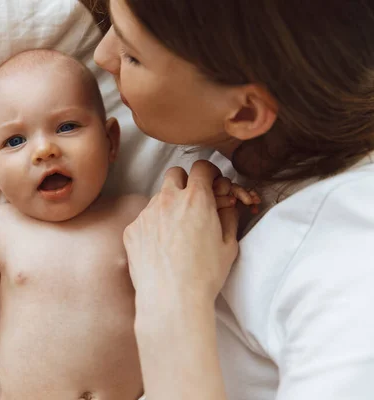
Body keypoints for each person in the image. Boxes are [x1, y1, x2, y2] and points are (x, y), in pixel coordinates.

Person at [0, 49, 258, 400]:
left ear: (110, 141)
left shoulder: (138, 215)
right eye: (15, 140)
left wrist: (219, 200)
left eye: (66, 126)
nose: (44, 150)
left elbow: (190, 248)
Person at [93, 0, 374, 399]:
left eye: (132, 57)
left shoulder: (353, 265)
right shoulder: (243, 150)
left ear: (245, 113)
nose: (100, 56)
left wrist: (172, 294)